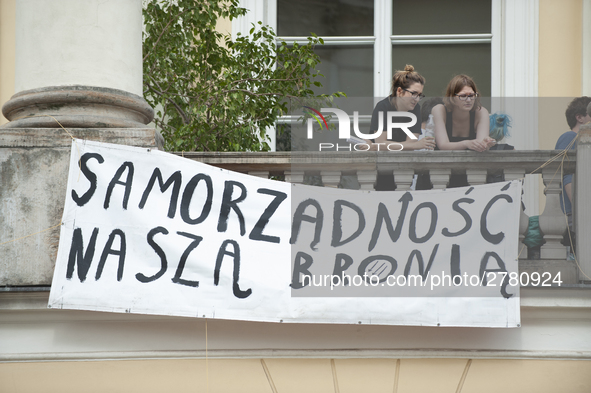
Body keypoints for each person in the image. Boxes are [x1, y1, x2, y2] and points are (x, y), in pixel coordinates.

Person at [367, 65, 436, 151]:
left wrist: (387, 145)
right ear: (399, 91)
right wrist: (413, 145)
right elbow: (380, 143)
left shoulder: (415, 108)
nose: (417, 99)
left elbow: (410, 145)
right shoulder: (383, 107)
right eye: (414, 93)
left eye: (419, 95)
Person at [555, 96, 591, 253]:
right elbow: (567, 176)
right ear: (580, 117)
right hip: (574, 213)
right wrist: (580, 210)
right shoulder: (569, 137)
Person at [432, 74, 495, 152]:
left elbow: (480, 146)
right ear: (452, 97)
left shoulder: (481, 112)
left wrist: (485, 144)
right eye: (463, 96)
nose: (468, 100)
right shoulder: (439, 110)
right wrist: (466, 144)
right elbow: (443, 145)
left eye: (472, 95)